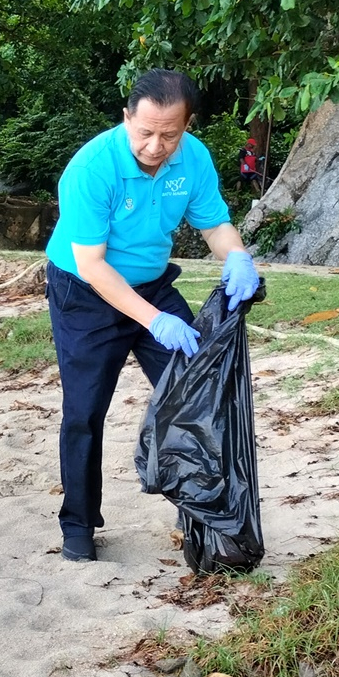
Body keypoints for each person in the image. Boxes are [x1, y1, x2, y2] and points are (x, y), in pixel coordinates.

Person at [43, 69, 260, 563]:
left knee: (200, 391)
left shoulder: (195, 158)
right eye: (144, 132)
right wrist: (154, 320)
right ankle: (78, 521)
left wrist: (236, 256)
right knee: (85, 411)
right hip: (85, 293)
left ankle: (204, 518)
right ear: (126, 118)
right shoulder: (91, 169)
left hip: (152, 283)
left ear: (187, 125)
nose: (155, 145)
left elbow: (215, 225)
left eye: (170, 133)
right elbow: (94, 267)